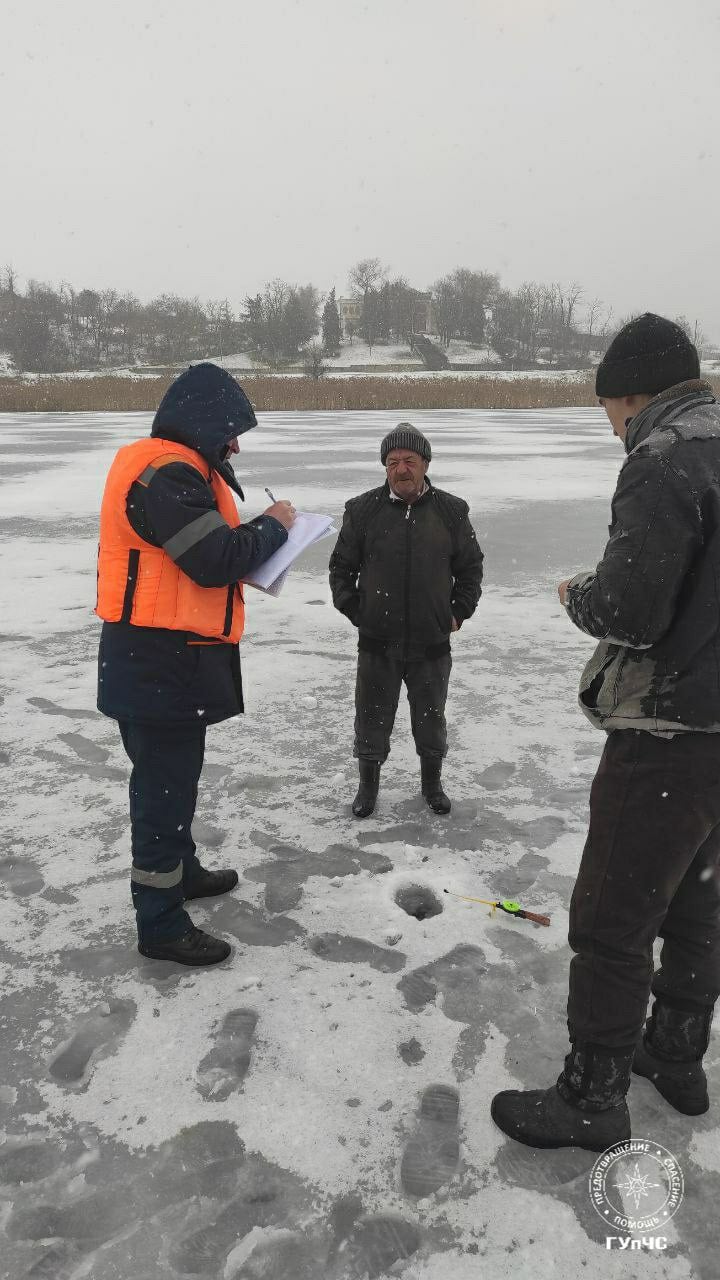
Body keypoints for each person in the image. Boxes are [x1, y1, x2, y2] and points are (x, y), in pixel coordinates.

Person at [491, 314, 720, 1150]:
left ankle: (592, 1098)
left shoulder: (665, 462)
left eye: (609, 409)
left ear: (631, 394)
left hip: (669, 727)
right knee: (700, 900)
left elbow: (631, 608)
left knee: (614, 916)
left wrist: (577, 594)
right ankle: (677, 1055)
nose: (610, 427)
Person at [95, 362, 295, 966]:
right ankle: (160, 923)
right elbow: (213, 559)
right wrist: (274, 528)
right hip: (157, 662)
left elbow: (202, 560)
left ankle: (181, 873)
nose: (235, 444)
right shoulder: (168, 473)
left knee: (175, 780)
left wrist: (251, 549)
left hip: (168, 660)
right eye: (232, 430)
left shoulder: (176, 468)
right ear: (205, 422)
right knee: (161, 791)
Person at [329, 422, 483, 817]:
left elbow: (470, 568)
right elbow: (340, 570)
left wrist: (457, 612)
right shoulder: (362, 510)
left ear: (425, 463)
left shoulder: (451, 511)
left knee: (431, 720)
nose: (401, 469)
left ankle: (432, 785)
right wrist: (359, 612)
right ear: (385, 467)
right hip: (377, 642)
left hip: (431, 643)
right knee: (371, 718)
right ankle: (368, 786)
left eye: (409, 461)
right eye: (393, 461)